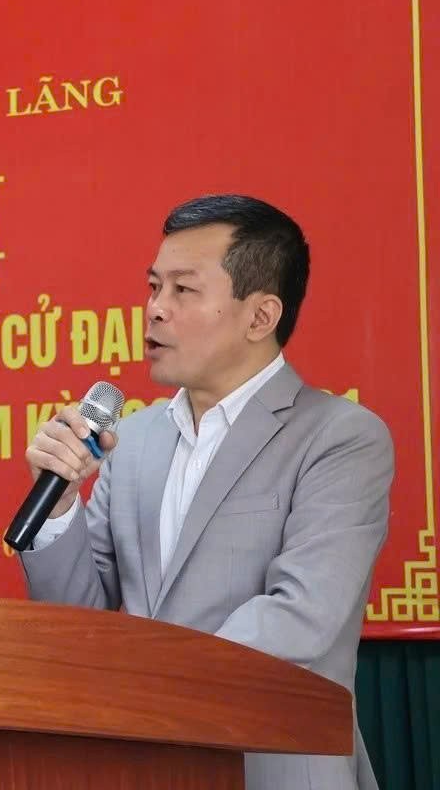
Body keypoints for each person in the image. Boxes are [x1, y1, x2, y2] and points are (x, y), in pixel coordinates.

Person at [19, 194, 393, 790]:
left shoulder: (340, 437)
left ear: (260, 316)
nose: (155, 311)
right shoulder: (132, 440)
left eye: (183, 291)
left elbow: (302, 619)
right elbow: (81, 623)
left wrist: (139, 687)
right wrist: (61, 508)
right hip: (141, 767)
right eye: (152, 287)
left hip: (273, 767)